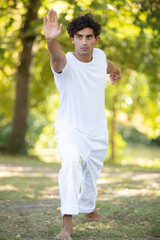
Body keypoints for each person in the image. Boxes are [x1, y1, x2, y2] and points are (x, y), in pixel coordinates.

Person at [43, 9, 121, 240]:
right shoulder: (65, 64)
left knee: (92, 172)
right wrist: (50, 41)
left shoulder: (99, 56)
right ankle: (67, 222)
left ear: (96, 39)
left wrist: (116, 72)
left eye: (88, 37)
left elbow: (108, 65)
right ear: (72, 39)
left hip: (97, 129)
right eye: (79, 37)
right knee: (71, 163)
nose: (84, 42)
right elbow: (56, 56)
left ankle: (89, 210)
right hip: (70, 128)